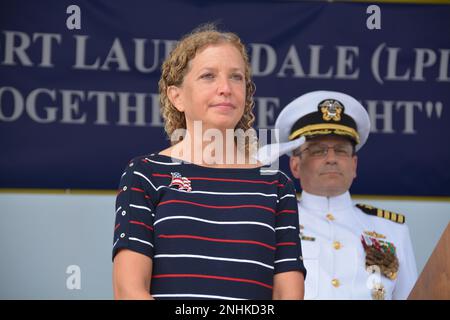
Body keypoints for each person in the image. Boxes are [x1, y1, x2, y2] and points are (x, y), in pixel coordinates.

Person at [112, 24, 306, 300]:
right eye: (208, 76)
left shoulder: (275, 184)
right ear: (176, 96)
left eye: (236, 77)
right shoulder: (145, 174)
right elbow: (128, 291)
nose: (225, 88)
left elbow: (288, 294)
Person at [259, 90, 417, 300]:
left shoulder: (392, 230)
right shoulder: (275, 222)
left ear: (354, 165)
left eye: (341, 150)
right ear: (295, 165)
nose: (331, 158)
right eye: (318, 150)